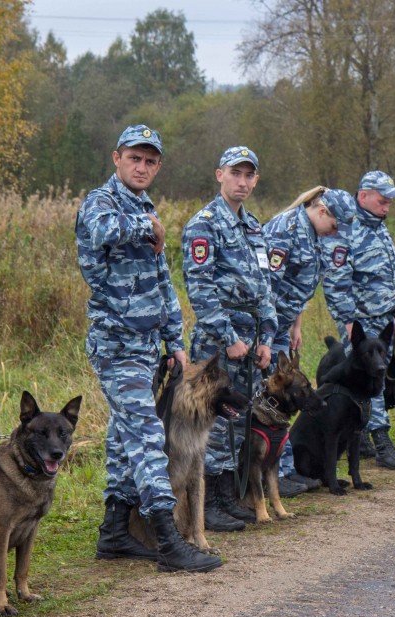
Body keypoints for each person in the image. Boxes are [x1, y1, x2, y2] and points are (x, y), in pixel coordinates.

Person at [76, 125, 221, 573]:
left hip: (145, 346)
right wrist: (148, 223)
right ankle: (168, 540)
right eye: (134, 158)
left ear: (157, 166)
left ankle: (115, 532)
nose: (141, 167)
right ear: (116, 158)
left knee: (123, 440)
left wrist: (175, 343)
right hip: (116, 345)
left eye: (150, 161)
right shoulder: (101, 203)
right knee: (146, 436)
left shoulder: (144, 206)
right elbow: (100, 231)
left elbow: (162, 284)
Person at [181, 146, 278, 531]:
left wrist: (267, 337)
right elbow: (199, 289)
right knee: (213, 420)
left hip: (252, 340)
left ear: (255, 180)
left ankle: (227, 495)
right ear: (219, 174)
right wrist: (229, 338)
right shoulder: (204, 224)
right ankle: (207, 502)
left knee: (238, 417)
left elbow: (265, 287)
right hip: (218, 343)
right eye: (235, 173)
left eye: (248, 175)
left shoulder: (254, 226)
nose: (242, 181)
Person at [263, 186, 358, 495]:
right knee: (272, 400)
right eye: (334, 225)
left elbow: (301, 285)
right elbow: (267, 285)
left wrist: (296, 324)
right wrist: (266, 335)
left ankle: (285, 470)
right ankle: (274, 474)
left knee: (282, 402)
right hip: (265, 326)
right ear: (321, 211)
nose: (335, 233)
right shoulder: (286, 228)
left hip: (281, 325)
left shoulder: (314, 234)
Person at [320, 171, 395, 470]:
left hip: (385, 320)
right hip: (361, 323)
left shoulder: (380, 229)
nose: (387, 206)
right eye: (382, 199)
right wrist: (348, 322)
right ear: (363, 196)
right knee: (367, 380)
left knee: (377, 379)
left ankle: (359, 439)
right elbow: (336, 280)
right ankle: (382, 444)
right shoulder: (345, 228)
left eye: (390, 201)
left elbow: (392, 275)